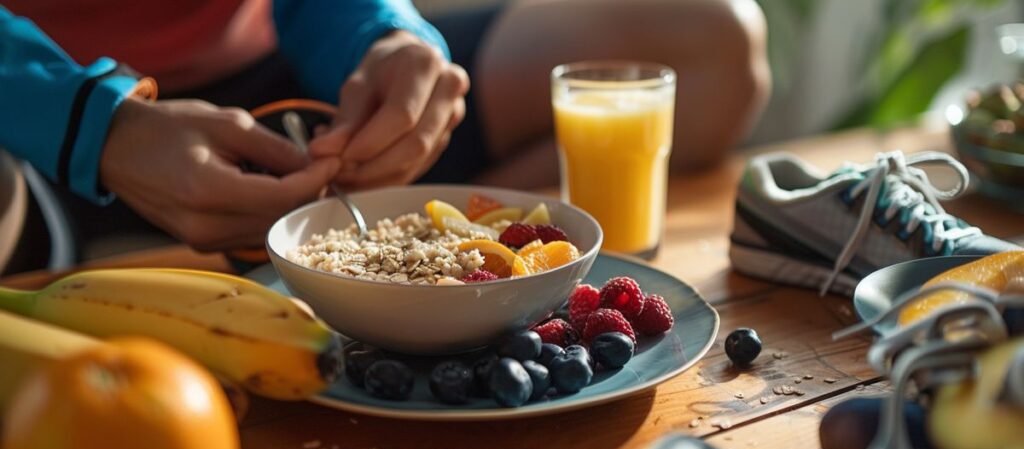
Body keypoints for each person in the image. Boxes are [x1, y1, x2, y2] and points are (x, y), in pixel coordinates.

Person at [0, 0, 769, 260]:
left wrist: (388, 39)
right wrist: (93, 125)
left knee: (712, 39)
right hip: (36, 132)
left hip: (297, 77)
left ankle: (474, 258)